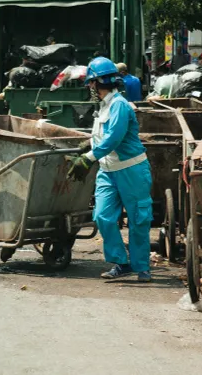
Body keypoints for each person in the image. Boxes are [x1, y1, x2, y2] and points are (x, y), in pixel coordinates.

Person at [65, 57, 152, 283]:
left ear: (96, 83)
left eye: (90, 83)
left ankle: (141, 267)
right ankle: (121, 263)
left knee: (138, 220)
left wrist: (88, 158)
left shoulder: (120, 106)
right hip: (108, 170)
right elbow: (102, 137)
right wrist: (89, 145)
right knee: (102, 216)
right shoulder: (103, 106)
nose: (89, 88)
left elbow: (114, 137)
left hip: (131, 170)